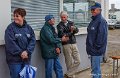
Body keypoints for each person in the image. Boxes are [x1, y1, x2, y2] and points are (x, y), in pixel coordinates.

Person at [5, 8, 36, 78]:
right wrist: (21, 53)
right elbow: (10, 43)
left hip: (26, 59)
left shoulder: (29, 28)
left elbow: (33, 41)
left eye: (17, 16)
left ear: (23, 17)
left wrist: (27, 51)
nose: (15, 18)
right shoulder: (10, 28)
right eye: (14, 16)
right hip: (14, 61)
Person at [86, 2, 108, 78]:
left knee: (95, 70)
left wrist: (95, 48)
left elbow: (101, 37)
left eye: (93, 9)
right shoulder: (93, 21)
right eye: (91, 10)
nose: (92, 11)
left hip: (96, 50)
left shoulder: (101, 21)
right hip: (93, 50)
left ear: (99, 10)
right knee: (96, 70)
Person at [57, 11, 80, 77]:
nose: (63, 19)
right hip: (66, 45)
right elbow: (62, 35)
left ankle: (67, 74)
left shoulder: (71, 23)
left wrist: (74, 29)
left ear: (67, 17)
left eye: (64, 17)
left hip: (73, 43)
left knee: (78, 61)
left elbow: (77, 31)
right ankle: (71, 76)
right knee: (69, 63)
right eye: (61, 17)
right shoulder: (59, 26)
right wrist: (71, 32)